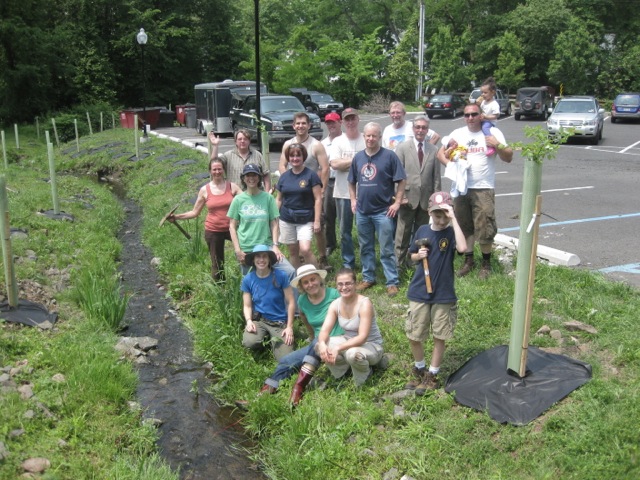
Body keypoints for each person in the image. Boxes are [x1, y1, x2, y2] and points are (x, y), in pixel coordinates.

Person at [240, 264, 343, 407]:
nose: (310, 284)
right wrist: (312, 336)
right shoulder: (303, 300)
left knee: (317, 343)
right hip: (317, 344)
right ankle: (262, 396)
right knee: (286, 360)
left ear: (319, 279)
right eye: (305, 282)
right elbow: (305, 318)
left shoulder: (334, 295)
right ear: (301, 286)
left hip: (337, 340)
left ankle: (297, 390)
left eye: (313, 279)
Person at [437, 103, 513, 279]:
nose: (470, 118)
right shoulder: (457, 134)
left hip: (483, 187)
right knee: (465, 226)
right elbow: (440, 154)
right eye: (467, 115)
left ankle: (486, 263)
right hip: (461, 188)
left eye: (474, 114)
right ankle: (469, 261)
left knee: (485, 226)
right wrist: (451, 166)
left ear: (481, 115)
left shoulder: (492, 133)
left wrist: (497, 145)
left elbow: (508, 156)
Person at [405, 191, 466, 394]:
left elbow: (464, 248)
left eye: (444, 215)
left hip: (443, 294)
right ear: (430, 213)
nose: (440, 220)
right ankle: (419, 367)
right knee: (415, 334)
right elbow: (411, 255)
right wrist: (417, 255)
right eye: (436, 215)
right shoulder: (422, 230)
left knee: (439, 335)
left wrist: (454, 219)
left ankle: (432, 374)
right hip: (419, 291)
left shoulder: (450, 233)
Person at [348, 122, 406, 297]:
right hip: (362, 211)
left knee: (387, 248)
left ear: (380, 137)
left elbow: (402, 180)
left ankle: (392, 281)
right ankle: (368, 277)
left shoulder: (389, 156)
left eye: (374, 136)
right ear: (364, 136)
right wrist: (352, 200)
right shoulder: (358, 158)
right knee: (365, 246)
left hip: (383, 211)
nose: (371, 139)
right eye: (368, 135)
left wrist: (397, 203)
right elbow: (351, 181)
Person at [168, 157, 241, 281]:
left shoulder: (232, 187)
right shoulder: (204, 190)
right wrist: (177, 217)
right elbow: (195, 212)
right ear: (210, 171)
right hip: (213, 230)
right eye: (214, 169)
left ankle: (247, 283)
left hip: (232, 228)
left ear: (224, 170)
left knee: (245, 253)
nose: (217, 172)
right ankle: (221, 291)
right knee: (217, 264)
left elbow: (247, 200)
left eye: (219, 169)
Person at [278, 112, 331, 270]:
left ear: (309, 125)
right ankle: (301, 267)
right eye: (298, 123)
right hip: (294, 193)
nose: (301, 126)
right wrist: (288, 182)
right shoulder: (288, 144)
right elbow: (282, 165)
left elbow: (325, 168)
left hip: (313, 192)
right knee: (296, 245)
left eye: (303, 123)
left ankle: (322, 257)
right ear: (293, 126)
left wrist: (322, 191)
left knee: (318, 228)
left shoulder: (316, 145)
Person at [316, 268, 384, 387]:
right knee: (319, 346)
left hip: (371, 345)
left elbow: (362, 337)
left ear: (355, 284)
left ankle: (365, 376)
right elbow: (324, 330)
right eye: (340, 284)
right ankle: (343, 372)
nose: (344, 287)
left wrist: (338, 348)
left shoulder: (364, 303)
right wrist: (322, 343)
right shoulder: (335, 304)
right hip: (349, 341)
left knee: (352, 354)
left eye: (348, 283)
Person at [227, 164, 295, 279]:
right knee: (251, 282)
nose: (251, 178)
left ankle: (291, 297)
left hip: (266, 247)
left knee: (289, 272)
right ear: (243, 178)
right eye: (248, 175)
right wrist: (238, 250)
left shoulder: (268, 198)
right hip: (246, 249)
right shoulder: (238, 200)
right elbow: (232, 226)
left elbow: (274, 223)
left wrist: (275, 246)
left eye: (254, 175)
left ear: (259, 178)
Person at [394, 115, 441, 274]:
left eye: (424, 128)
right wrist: (399, 197)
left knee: (422, 235)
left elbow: (436, 178)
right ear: (413, 129)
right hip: (407, 199)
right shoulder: (402, 147)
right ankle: (398, 267)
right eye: (418, 127)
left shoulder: (433, 150)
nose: (420, 130)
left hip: (425, 200)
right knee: (402, 235)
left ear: (428, 130)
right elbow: (396, 176)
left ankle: (416, 265)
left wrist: (435, 202)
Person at [241, 245, 295, 360]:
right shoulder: (248, 279)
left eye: (264, 256)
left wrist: (289, 326)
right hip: (259, 320)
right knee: (249, 342)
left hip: (279, 322)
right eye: (258, 257)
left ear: (269, 259)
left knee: (285, 359)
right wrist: (249, 321)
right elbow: (247, 305)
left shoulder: (281, 276)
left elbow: (291, 302)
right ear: (253, 260)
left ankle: (274, 341)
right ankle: (263, 339)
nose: (261, 260)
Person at [275, 143, 323, 269]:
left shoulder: (311, 175)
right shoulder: (284, 177)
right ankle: (298, 280)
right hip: (287, 219)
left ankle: (317, 277)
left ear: (303, 157)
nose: (295, 158)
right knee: (293, 251)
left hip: (306, 218)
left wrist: (317, 221)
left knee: (305, 249)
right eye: (292, 156)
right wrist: (274, 217)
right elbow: (279, 199)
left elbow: (318, 199)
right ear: (288, 158)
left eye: (298, 155)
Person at [329, 108, 364, 270]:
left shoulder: (366, 139)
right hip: (343, 192)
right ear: (342, 122)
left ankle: (366, 262)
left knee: (365, 230)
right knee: (344, 231)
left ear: (358, 119)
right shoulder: (338, 141)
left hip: (366, 193)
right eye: (347, 119)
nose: (350, 122)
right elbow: (335, 164)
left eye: (353, 118)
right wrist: (360, 160)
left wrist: (347, 162)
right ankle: (348, 262)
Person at [321, 112, 342, 258]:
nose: (331, 125)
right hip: (329, 182)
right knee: (328, 215)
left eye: (333, 122)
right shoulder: (323, 144)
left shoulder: (345, 140)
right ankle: (330, 244)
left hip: (345, 182)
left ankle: (348, 243)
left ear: (339, 122)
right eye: (328, 123)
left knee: (345, 217)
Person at [477, 77, 500, 156]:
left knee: (484, 128)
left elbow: (496, 116)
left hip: (489, 122)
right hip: (483, 120)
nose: (483, 94)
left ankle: (491, 144)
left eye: (485, 93)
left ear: (493, 92)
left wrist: (486, 117)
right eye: (482, 92)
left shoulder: (494, 104)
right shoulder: (483, 102)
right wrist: (478, 104)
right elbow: (480, 110)